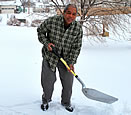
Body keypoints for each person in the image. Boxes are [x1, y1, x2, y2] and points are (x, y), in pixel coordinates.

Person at [37, 4, 83, 112]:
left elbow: (76, 47)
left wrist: (71, 62)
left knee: (68, 83)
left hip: (66, 59)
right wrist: (46, 43)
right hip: (50, 56)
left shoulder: (77, 29)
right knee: (47, 81)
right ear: (63, 12)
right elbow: (40, 31)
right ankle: (46, 100)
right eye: (68, 13)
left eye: (73, 14)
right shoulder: (52, 21)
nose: (70, 16)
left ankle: (66, 102)